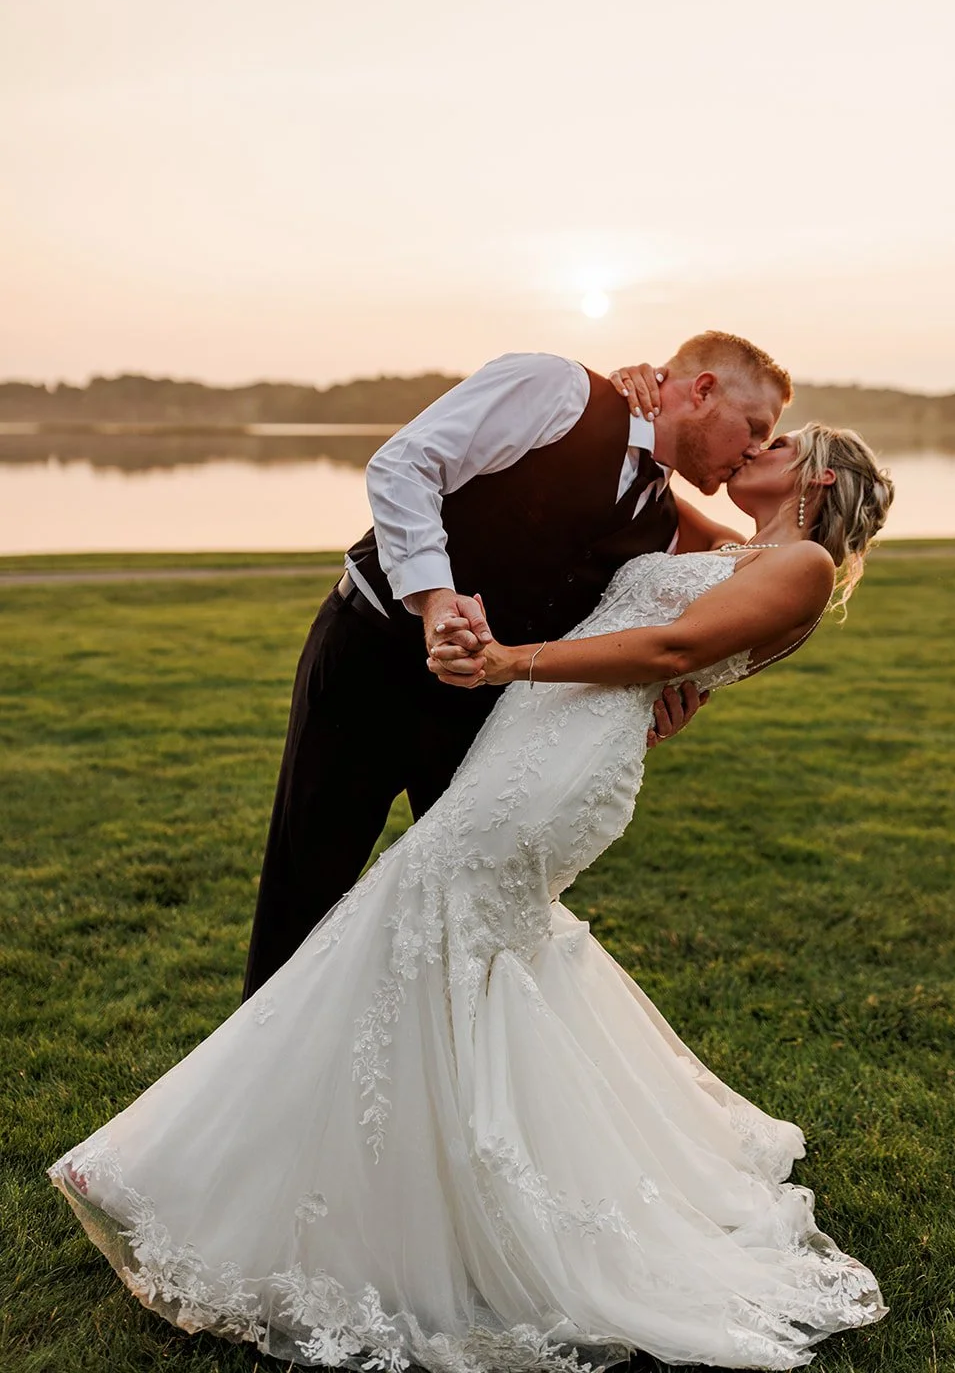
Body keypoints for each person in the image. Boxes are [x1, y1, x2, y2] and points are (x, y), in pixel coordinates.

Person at [50, 415, 894, 1372]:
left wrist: (507, 661)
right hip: (527, 738)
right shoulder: (734, 547)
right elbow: (654, 486)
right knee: (427, 925)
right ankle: (325, 1165)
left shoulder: (805, 570)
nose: (752, 452)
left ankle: (379, 1194)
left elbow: (665, 653)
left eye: (777, 447)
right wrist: (625, 403)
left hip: (562, 761)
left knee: (424, 916)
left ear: (818, 484)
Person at [242, 331, 790, 997]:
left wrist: (667, 697)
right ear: (702, 390)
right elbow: (403, 465)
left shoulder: (662, 517)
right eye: (754, 427)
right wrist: (434, 599)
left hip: (486, 706)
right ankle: (267, 1076)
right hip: (371, 660)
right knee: (306, 889)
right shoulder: (557, 390)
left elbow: (736, 595)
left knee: (461, 903)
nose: (756, 448)